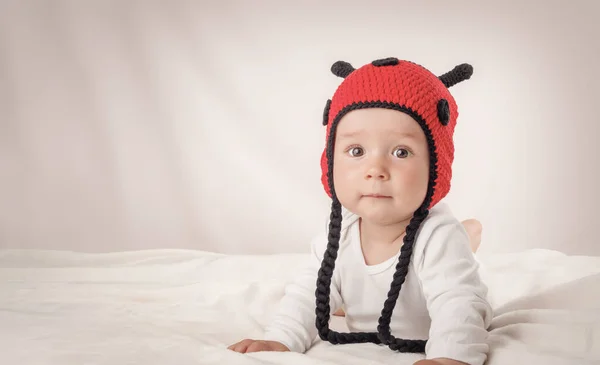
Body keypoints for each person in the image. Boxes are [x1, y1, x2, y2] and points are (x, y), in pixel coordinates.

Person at [229, 57, 493, 365]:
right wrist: (280, 338)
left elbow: (457, 304)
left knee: (459, 254)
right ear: (330, 162)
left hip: (447, 262)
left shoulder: (439, 237)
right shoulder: (337, 234)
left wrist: (450, 356)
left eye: (401, 152)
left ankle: (468, 238)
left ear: (435, 166)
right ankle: (466, 234)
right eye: (356, 151)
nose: (376, 170)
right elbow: (308, 293)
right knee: (332, 289)